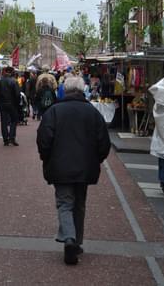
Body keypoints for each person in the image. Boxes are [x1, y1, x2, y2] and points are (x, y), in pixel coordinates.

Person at [37, 75, 110, 265]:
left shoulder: (54, 111)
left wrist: (47, 158)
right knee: (79, 204)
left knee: (65, 203)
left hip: (60, 167)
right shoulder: (93, 113)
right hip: (85, 168)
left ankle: (69, 239)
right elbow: (104, 142)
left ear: (65, 90)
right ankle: (76, 241)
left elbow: (44, 139)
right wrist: (96, 160)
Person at [0, 66, 21, 146]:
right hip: (12, 104)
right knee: (14, 121)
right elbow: (17, 94)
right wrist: (17, 103)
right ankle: (12, 138)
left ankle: (5, 139)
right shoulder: (14, 81)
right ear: (11, 72)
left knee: (4, 122)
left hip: (3, 104)